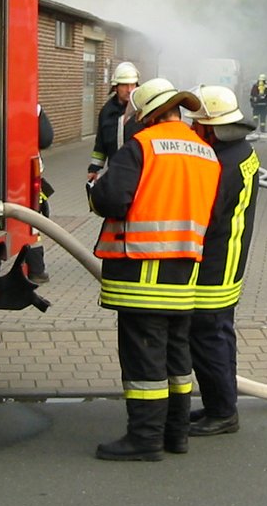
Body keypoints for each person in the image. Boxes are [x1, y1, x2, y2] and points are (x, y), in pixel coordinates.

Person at [88, 78, 221, 461]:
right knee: (176, 358)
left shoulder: (141, 146)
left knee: (144, 357)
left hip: (142, 269)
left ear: (146, 115)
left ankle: (144, 439)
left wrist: (94, 191)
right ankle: (175, 435)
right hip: (185, 272)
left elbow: (112, 199)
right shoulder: (205, 152)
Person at [185, 86, 260, 437]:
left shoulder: (221, 164)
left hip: (216, 261)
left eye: (197, 124)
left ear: (211, 126)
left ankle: (223, 413)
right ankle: (220, 404)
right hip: (229, 256)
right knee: (219, 334)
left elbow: (207, 214)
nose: (193, 129)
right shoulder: (240, 150)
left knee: (207, 336)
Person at [87, 61, 141, 182]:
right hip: (116, 172)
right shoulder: (107, 112)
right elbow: (100, 144)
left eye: (133, 85)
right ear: (115, 87)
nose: (129, 90)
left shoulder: (142, 110)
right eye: (124, 85)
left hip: (139, 173)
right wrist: (94, 168)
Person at [22, 104, 55, 283]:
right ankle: (37, 270)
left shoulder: (33, 108)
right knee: (33, 221)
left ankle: (36, 268)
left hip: (3, 171)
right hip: (26, 173)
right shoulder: (33, 107)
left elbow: (45, 139)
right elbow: (46, 139)